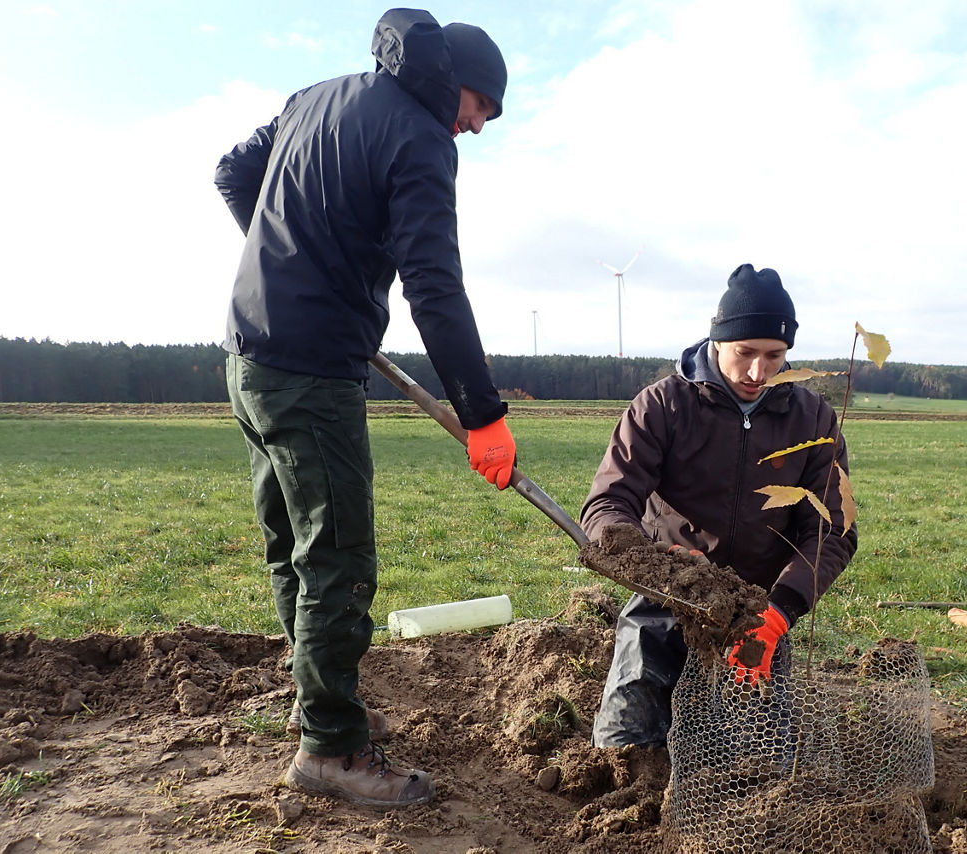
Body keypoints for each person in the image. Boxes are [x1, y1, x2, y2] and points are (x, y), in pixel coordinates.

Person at [215, 9, 517, 808]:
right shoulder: (421, 138)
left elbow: (234, 173)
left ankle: (318, 704)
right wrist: (481, 412)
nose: (476, 127)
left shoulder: (315, 97)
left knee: (294, 546)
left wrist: (290, 259)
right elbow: (434, 284)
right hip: (312, 373)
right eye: (480, 108)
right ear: (453, 83)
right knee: (338, 560)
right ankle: (332, 751)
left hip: (248, 357)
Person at [580, 263, 858, 748]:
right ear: (717, 340)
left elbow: (831, 530)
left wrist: (780, 611)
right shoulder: (662, 406)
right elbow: (608, 503)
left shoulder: (814, 420)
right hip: (663, 603)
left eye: (774, 356)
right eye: (744, 352)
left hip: (754, 620)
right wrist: (657, 564)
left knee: (757, 764)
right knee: (623, 749)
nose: (758, 372)